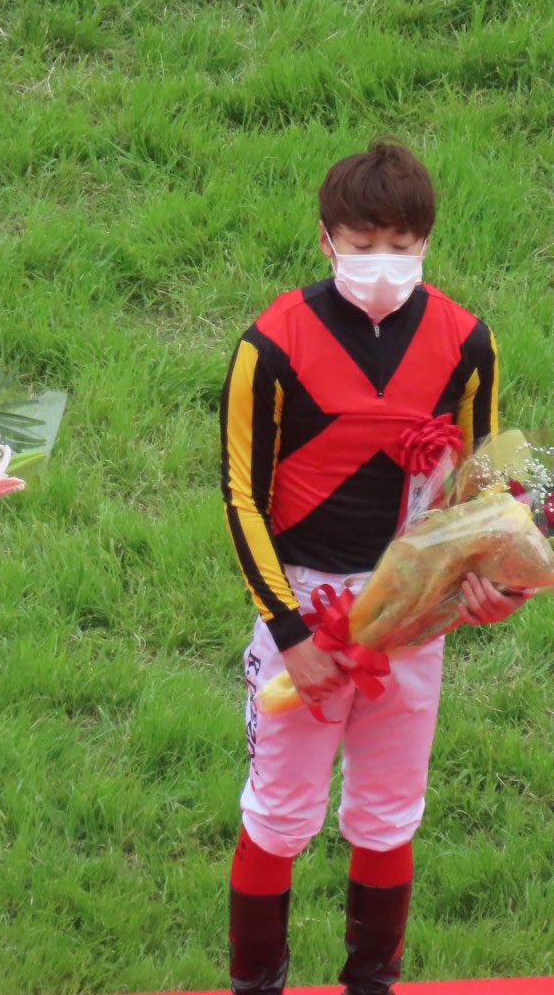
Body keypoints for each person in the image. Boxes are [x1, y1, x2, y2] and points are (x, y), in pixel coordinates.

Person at [219, 141, 529, 994]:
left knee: (390, 815)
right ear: (326, 240)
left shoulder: (468, 341)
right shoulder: (269, 344)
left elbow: (481, 489)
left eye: (401, 244)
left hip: (414, 611)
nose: (382, 262)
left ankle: (372, 983)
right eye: (362, 245)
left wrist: (495, 584)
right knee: (279, 814)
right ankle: (258, 985)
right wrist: (289, 634)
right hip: (304, 605)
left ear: (427, 240)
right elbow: (241, 496)